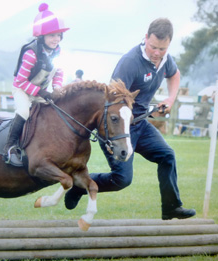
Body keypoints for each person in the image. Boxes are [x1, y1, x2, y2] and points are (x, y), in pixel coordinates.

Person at [64, 18, 196, 220]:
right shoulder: (130, 62)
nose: (157, 53)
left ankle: (171, 207)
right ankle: (79, 186)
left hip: (141, 124)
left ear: (169, 44)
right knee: (122, 180)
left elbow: (175, 74)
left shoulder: (165, 59)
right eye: (153, 47)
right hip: (118, 128)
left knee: (167, 156)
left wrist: (170, 98)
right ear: (145, 38)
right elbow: (112, 103)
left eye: (162, 48)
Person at [3, 3, 69, 162]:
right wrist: (42, 93)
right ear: (42, 36)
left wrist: (57, 88)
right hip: (22, 90)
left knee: (55, 111)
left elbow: (59, 72)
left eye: (59, 35)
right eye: (52, 35)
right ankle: (10, 147)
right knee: (25, 112)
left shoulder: (58, 53)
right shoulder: (31, 53)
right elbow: (20, 81)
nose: (56, 39)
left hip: (41, 91)